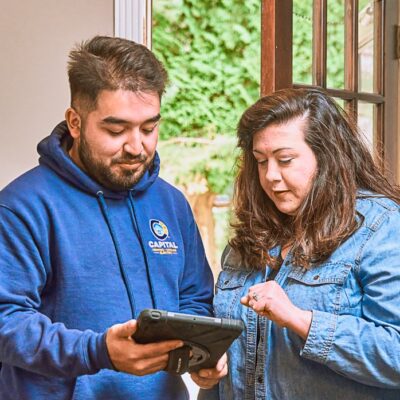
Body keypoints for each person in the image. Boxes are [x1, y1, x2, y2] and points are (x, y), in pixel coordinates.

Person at [0, 36, 226, 400]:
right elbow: (5, 321)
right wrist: (98, 351)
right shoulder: (21, 207)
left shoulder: (171, 203)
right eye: (116, 130)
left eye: (149, 128)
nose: (137, 147)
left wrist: (201, 354)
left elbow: (195, 301)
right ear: (75, 122)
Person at [202, 88, 400, 399]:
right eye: (260, 161)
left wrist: (300, 320)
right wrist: (207, 373)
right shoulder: (248, 238)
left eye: (285, 160)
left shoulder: (381, 227)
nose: (271, 176)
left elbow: (395, 354)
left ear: (327, 156)